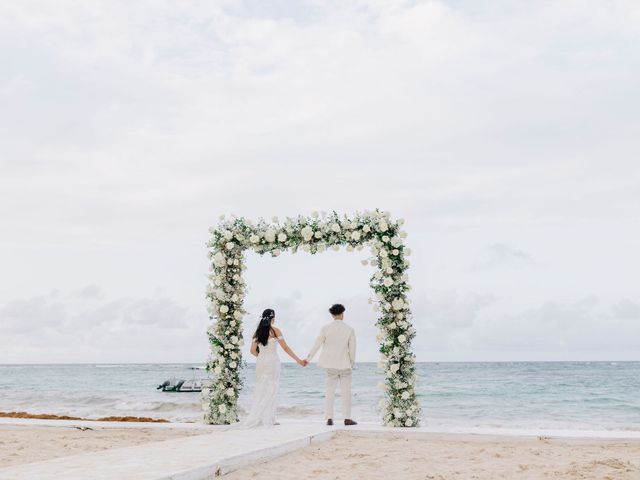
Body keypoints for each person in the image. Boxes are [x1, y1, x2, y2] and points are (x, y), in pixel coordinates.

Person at [241, 308, 306, 428]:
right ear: (273, 318)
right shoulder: (275, 331)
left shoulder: (257, 332)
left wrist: (260, 356)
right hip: (272, 362)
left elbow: (252, 351)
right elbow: (285, 348)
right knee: (271, 388)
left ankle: (261, 417)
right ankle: (269, 418)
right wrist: (299, 360)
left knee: (261, 388)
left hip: (261, 362)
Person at [305, 304, 357, 426]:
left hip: (330, 365)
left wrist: (308, 358)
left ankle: (329, 418)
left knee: (329, 391)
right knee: (346, 392)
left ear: (332, 315)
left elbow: (317, 344)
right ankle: (347, 418)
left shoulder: (325, 328)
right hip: (344, 364)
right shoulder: (349, 329)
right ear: (342, 314)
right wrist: (352, 362)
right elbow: (353, 349)